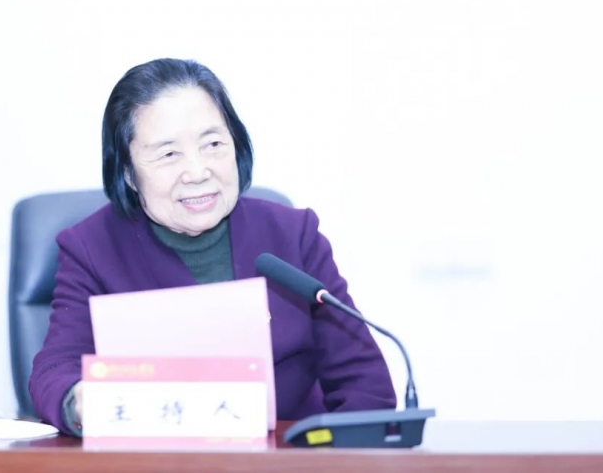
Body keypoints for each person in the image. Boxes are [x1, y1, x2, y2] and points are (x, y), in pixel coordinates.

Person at [29, 58, 396, 435]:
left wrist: (327, 453)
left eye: (213, 144)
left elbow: (365, 385)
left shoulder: (292, 235)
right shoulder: (91, 249)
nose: (198, 172)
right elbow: (55, 369)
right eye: (169, 154)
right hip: (154, 457)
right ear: (128, 172)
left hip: (284, 455)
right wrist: (82, 400)